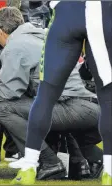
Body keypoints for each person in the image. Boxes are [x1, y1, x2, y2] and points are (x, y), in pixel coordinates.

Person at [8, 1, 112, 185]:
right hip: (102, 12)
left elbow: (34, 3)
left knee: (46, 95)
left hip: (66, 13)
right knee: (107, 97)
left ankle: (29, 167)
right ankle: (109, 172)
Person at [0, 7, 67, 180]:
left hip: (67, 106)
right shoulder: (42, 36)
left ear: (0, 31)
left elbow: (10, 90)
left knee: (4, 108)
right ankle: (81, 161)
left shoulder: (15, 46)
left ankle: (47, 161)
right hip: (82, 103)